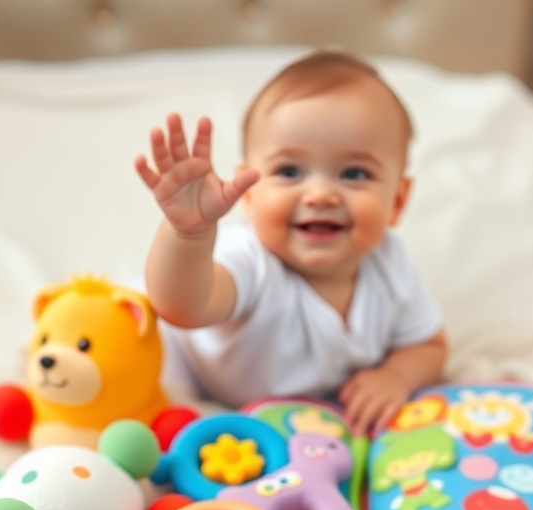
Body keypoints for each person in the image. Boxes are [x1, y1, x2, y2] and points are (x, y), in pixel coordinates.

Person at [135, 49, 447, 436]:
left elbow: (429, 346)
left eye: (353, 173)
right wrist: (188, 234)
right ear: (248, 194)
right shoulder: (251, 260)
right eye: (289, 171)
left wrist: (395, 376)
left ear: (397, 201)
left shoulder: (390, 266)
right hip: (188, 371)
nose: (319, 194)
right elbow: (181, 307)